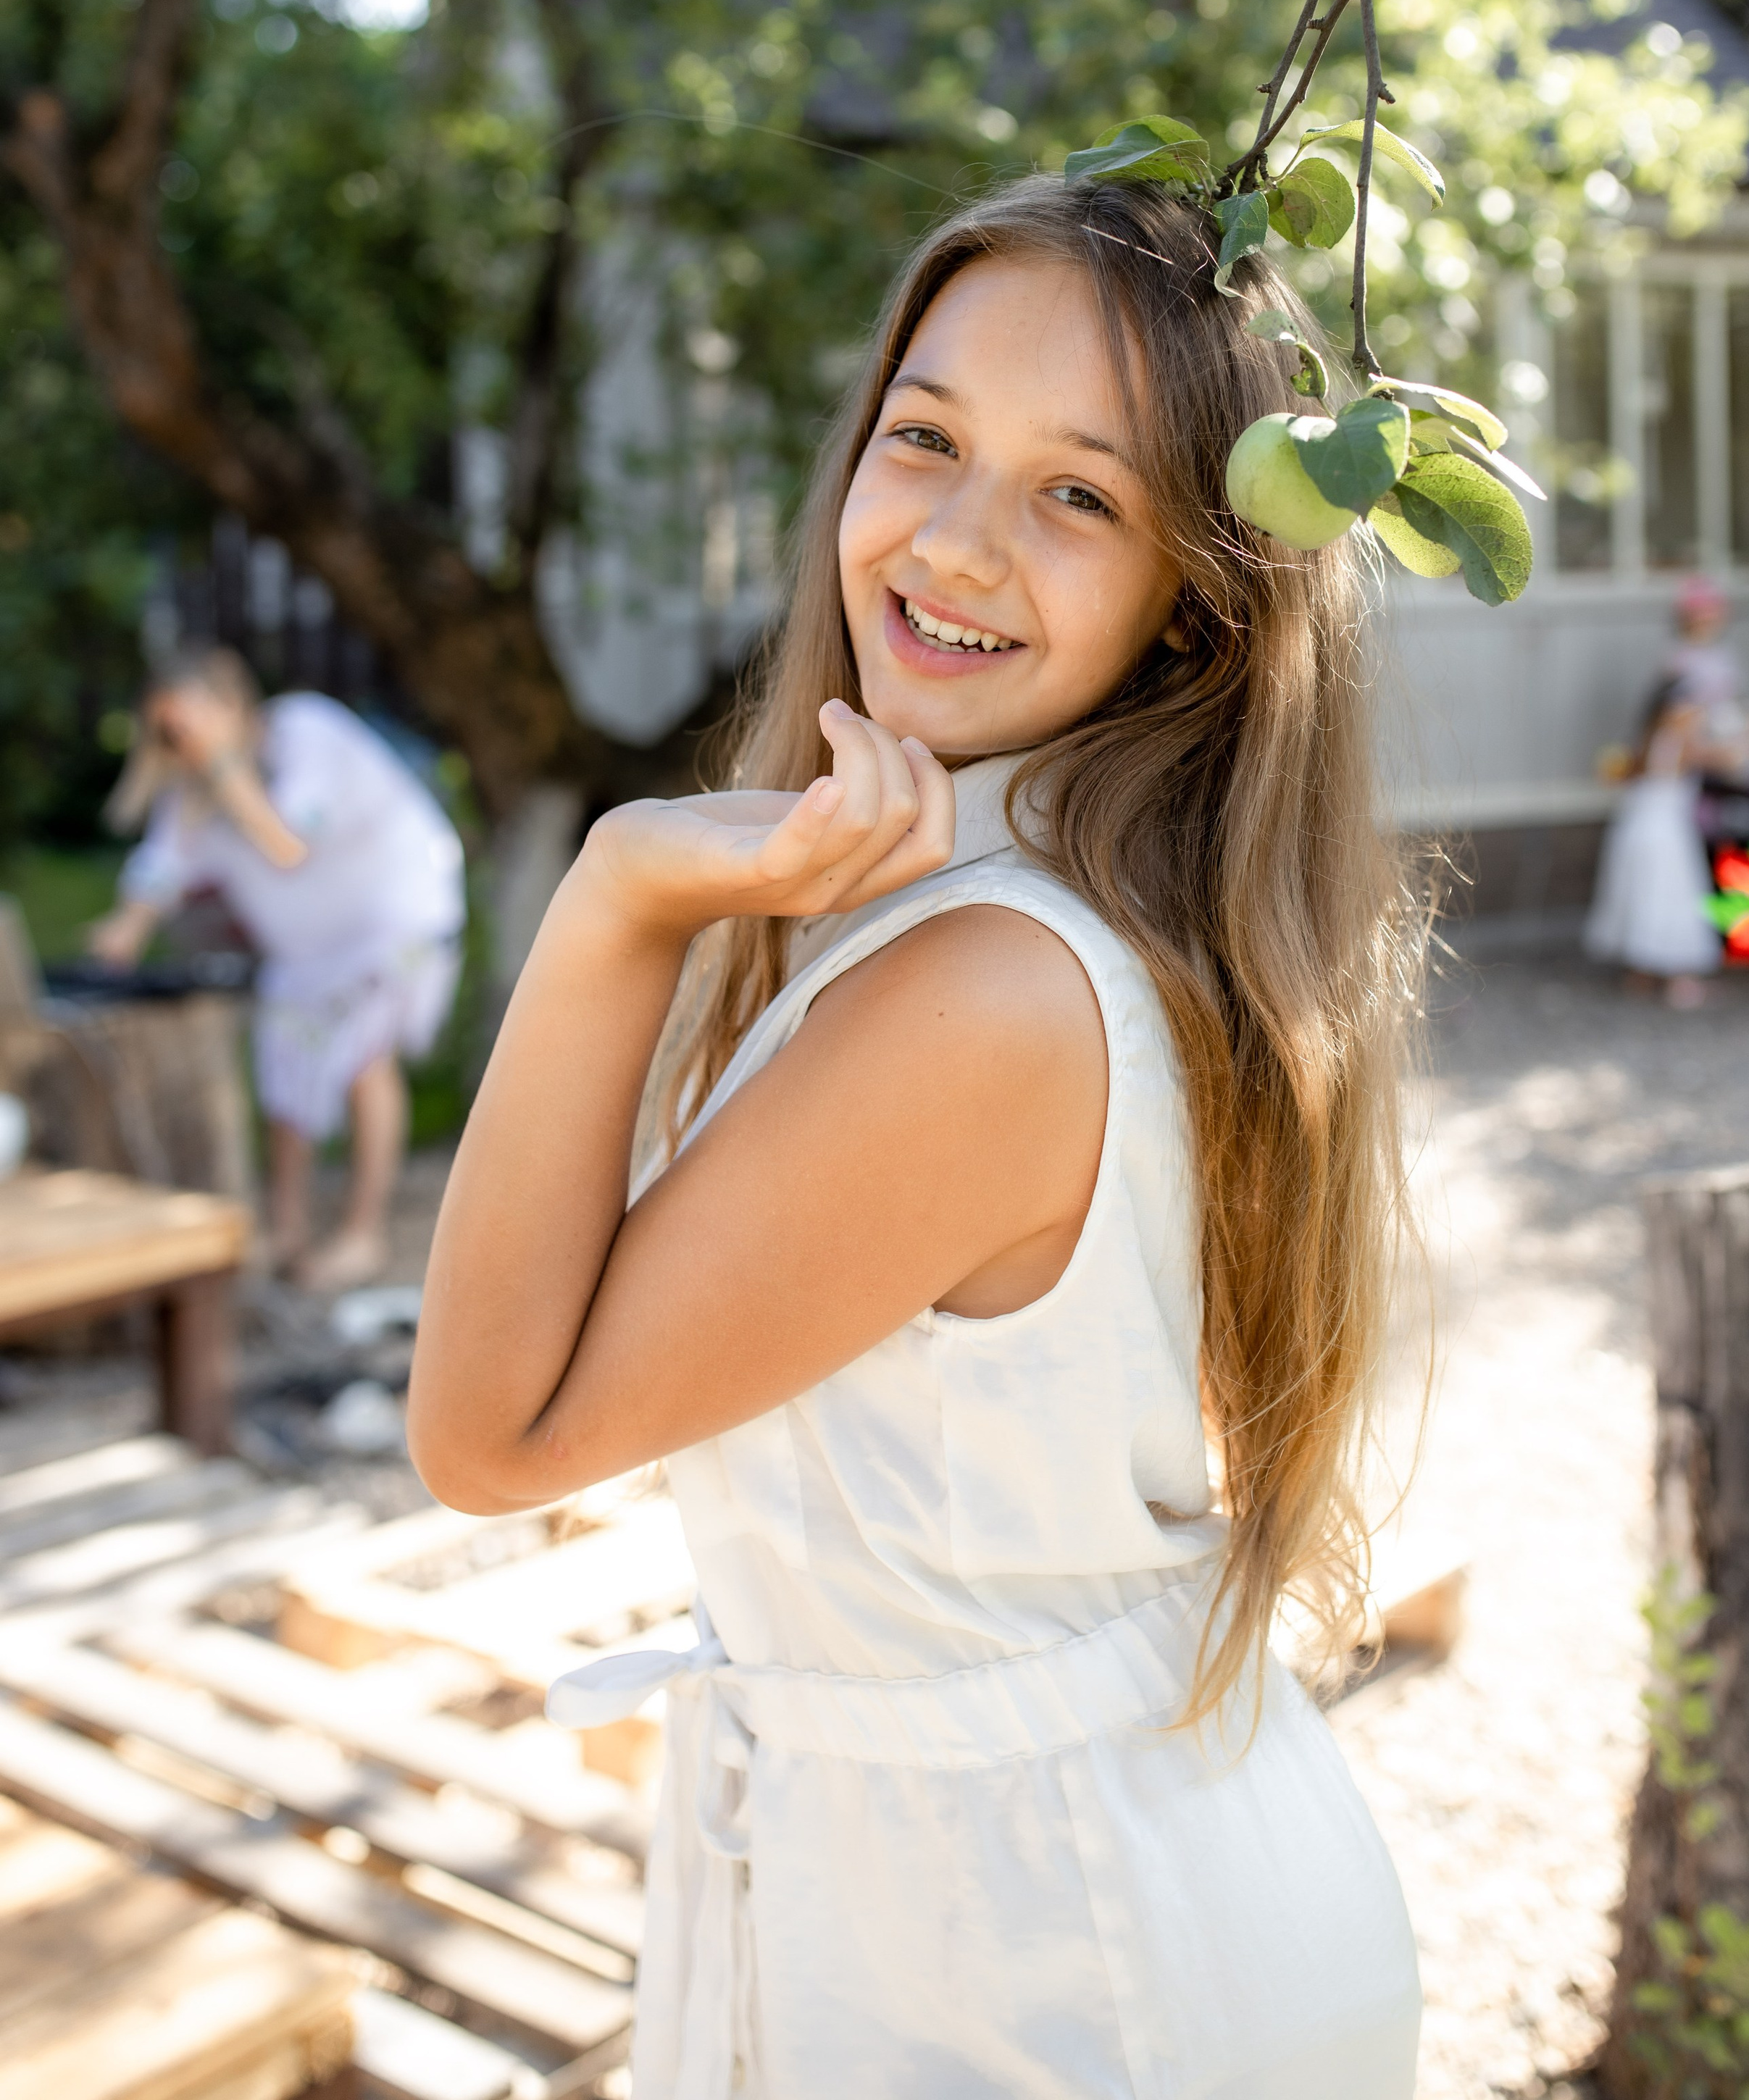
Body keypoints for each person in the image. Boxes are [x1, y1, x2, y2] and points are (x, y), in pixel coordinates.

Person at [409, 179, 1424, 2098]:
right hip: (1039, 1878)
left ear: (1201, 600)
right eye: (927, 437)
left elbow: (492, 1430)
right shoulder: (1066, 900)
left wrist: (620, 897)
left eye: (1079, 494)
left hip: (1042, 1972)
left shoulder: (988, 995)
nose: (953, 542)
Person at [91, 648, 465, 1289]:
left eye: (182, 727)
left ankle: (361, 1236)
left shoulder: (305, 735)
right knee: (285, 1066)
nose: (177, 745)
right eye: (166, 734)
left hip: (397, 922)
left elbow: (289, 843)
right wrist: (127, 927)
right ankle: (285, 1230)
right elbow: (162, 863)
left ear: (230, 706)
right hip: (310, 953)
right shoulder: (193, 791)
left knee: (362, 1057)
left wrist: (225, 768)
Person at [1585, 578, 1748, 1008]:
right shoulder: (1682, 743)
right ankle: (1677, 976)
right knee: (1671, 896)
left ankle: (1641, 971)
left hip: (1636, 826)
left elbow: (1622, 775)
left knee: (1641, 893)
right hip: (1663, 832)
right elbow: (1726, 758)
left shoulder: (1649, 741)